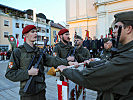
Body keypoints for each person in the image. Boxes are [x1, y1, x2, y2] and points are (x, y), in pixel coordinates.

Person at [57, 11, 133, 100]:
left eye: (116, 28)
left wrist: (66, 71)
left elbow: (97, 76)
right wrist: (90, 63)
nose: (114, 32)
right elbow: (108, 63)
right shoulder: (125, 50)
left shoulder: (129, 55)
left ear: (128, 29)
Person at [5, 25, 76, 100]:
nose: (36, 34)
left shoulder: (39, 51)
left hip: (41, 91)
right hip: (28, 93)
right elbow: (10, 74)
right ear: (26, 35)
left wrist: (67, 62)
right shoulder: (18, 51)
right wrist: (28, 72)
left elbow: (52, 60)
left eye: (36, 32)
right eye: (32, 32)